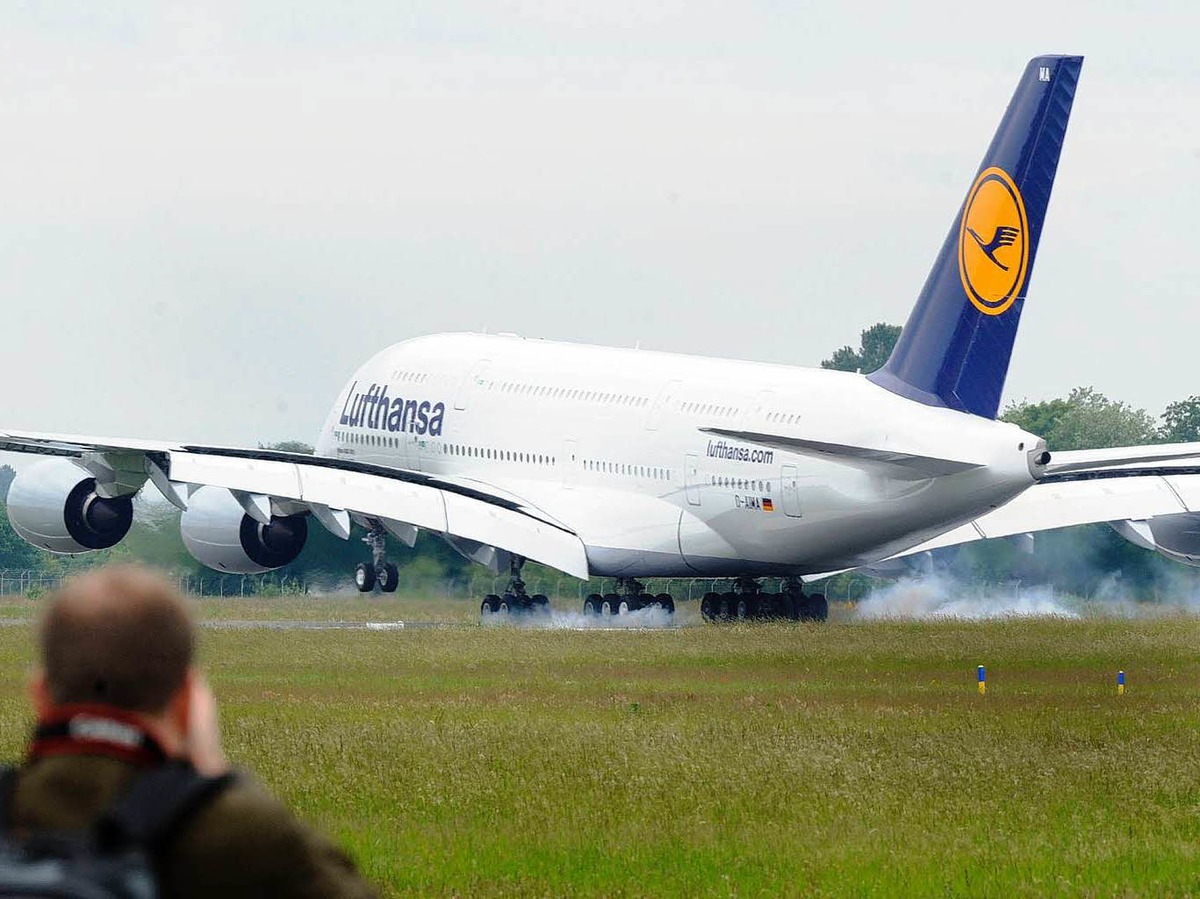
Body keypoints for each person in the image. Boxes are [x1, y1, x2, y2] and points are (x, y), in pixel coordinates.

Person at [5, 564, 378, 898]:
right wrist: (213, 775)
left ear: (40, 696)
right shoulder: (237, 834)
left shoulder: (13, 813)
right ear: (188, 701)